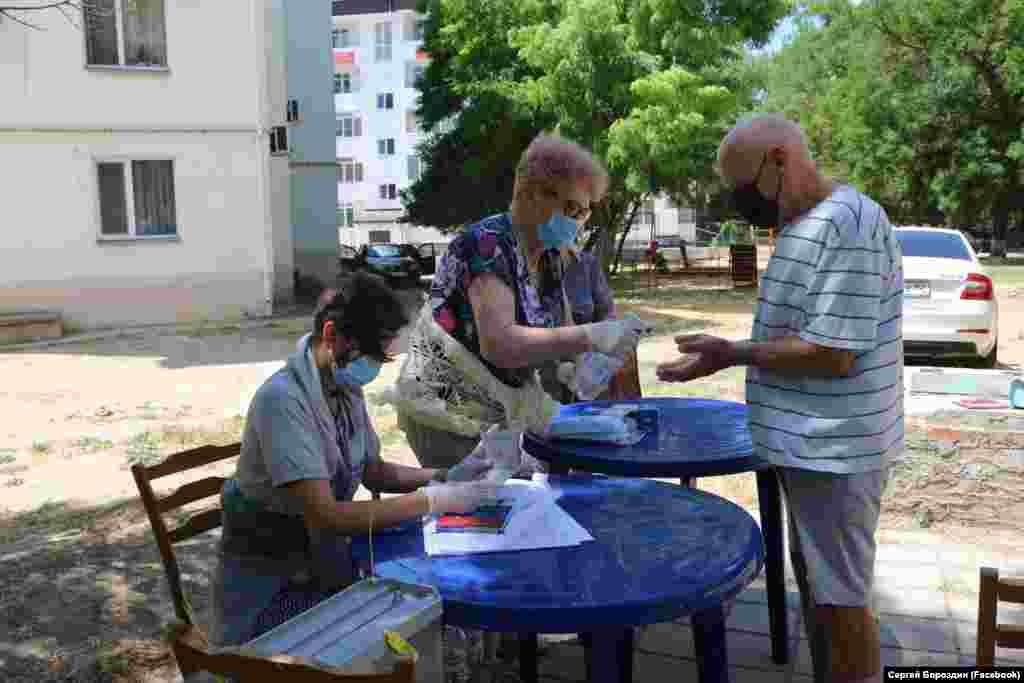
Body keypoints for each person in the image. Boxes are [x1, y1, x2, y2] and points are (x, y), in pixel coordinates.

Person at [657, 114, 903, 683]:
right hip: (807, 449)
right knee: (820, 589)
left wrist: (731, 353)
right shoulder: (801, 224)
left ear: (779, 160)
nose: (743, 202)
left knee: (841, 601)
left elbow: (833, 353)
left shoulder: (849, 221)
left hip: (836, 451)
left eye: (745, 188)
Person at [211, 272, 495, 647]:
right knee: (404, 631)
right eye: (372, 355)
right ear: (332, 335)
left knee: (424, 613)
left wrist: (445, 475)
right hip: (269, 595)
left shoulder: (342, 385)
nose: (374, 368)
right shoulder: (282, 401)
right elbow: (327, 516)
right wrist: (432, 500)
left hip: (320, 567)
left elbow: (373, 471)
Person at [392, 133, 645, 469]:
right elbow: (500, 344)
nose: (577, 221)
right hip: (444, 410)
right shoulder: (487, 244)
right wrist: (592, 335)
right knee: (485, 496)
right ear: (532, 193)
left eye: (585, 212)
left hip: (496, 409)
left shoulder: (550, 255)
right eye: (571, 208)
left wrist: (586, 366)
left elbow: (564, 330)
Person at [545, 247, 642, 402]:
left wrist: (605, 342)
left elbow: (604, 313)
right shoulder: (524, 267)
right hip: (542, 382)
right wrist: (555, 368)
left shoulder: (586, 264)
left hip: (586, 372)